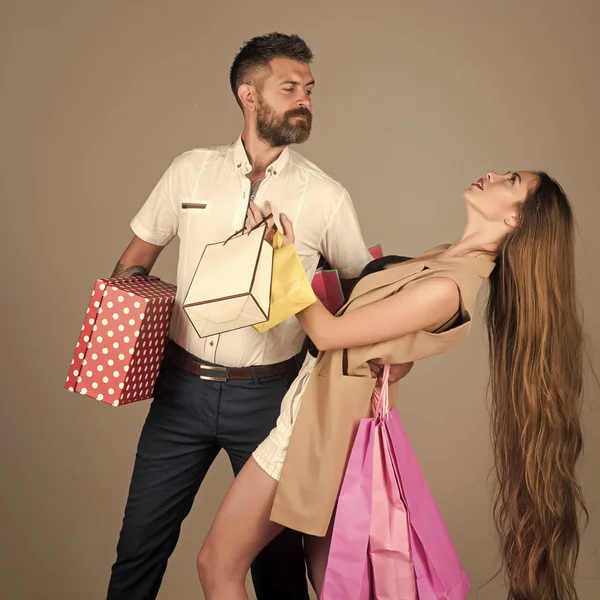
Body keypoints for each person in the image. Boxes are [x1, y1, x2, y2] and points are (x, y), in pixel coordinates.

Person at [105, 32, 410, 600]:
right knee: (139, 549)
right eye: (290, 88)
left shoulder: (326, 196)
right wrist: (125, 343)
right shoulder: (189, 171)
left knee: (277, 569)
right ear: (249, 95)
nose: (305, 101)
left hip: (270, 401)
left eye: (310, 91)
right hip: (180, 392)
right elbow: (133, 265)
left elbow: (359, 298)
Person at [198, 171, 588, 600]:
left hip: (324, 425)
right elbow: (380, 336)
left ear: (516, 218)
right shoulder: (442, 260)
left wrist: (282, 257)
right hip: (323, 409)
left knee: (219, 565)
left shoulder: (447, 288)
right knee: (337, 588)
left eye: (510, 180)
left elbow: (328, 334)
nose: (492, 174)